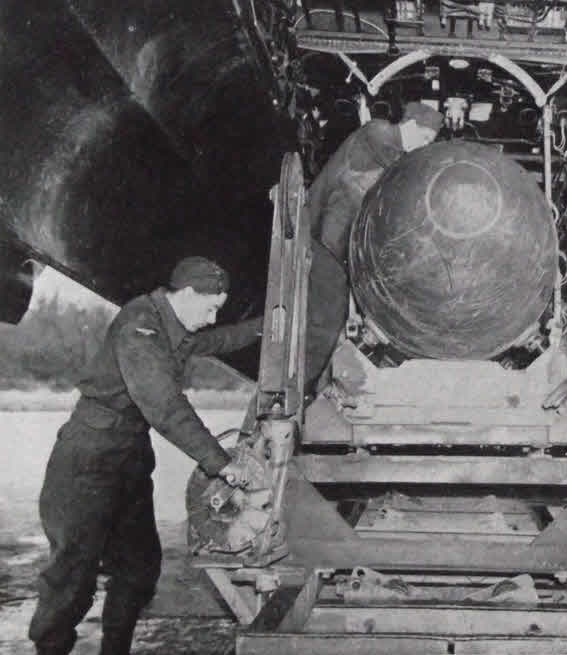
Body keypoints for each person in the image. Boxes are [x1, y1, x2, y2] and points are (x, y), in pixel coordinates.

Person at [29, 256, 263, 655]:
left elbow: (215, 341)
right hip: (88, 457)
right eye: (210, 308)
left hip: (128, 457)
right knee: (72, 578)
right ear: (187, 294)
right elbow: (166, 407)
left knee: (138, 570)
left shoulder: (172, 324)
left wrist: (265, 327)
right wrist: (221, 463)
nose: (210, 319)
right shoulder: (141, 327)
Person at [306, 100, 444, 265]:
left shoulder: (397, 152)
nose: (424, 145)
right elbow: (390, 164)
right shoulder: (377, 130)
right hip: (329, 220)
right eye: (425, 138)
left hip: (342, 228)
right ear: (411, 125)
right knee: (327, 276)